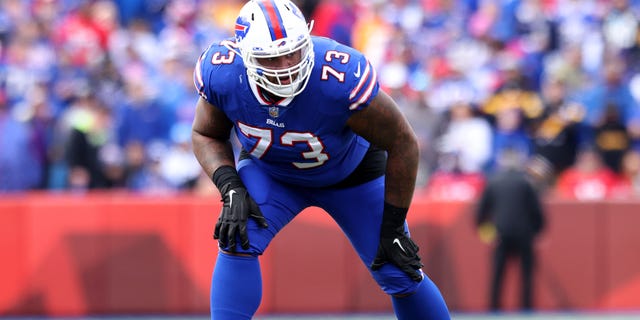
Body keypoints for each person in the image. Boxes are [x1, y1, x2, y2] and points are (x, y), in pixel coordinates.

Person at [190, 0, 451, 319]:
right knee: (238, 237)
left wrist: (393, 225)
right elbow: (206, 133)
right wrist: (230, 186)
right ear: (247, 57)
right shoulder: (224, 74)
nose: (286, 65)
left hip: (351, 176)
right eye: (271, 59)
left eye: (294, 52)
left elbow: (403, 143)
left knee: (397, 268)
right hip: (271, 173)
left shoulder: (338, 75)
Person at [475, 149, 546, 311]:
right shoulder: (526, 182)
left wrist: (488, 234)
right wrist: (537, 231)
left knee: (498, 275)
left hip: (501, 234)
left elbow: (480, 213)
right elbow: (536, 211)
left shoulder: (493, 182)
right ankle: (526, 309)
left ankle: (494, 309)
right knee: (526, 276)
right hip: (524, 235)